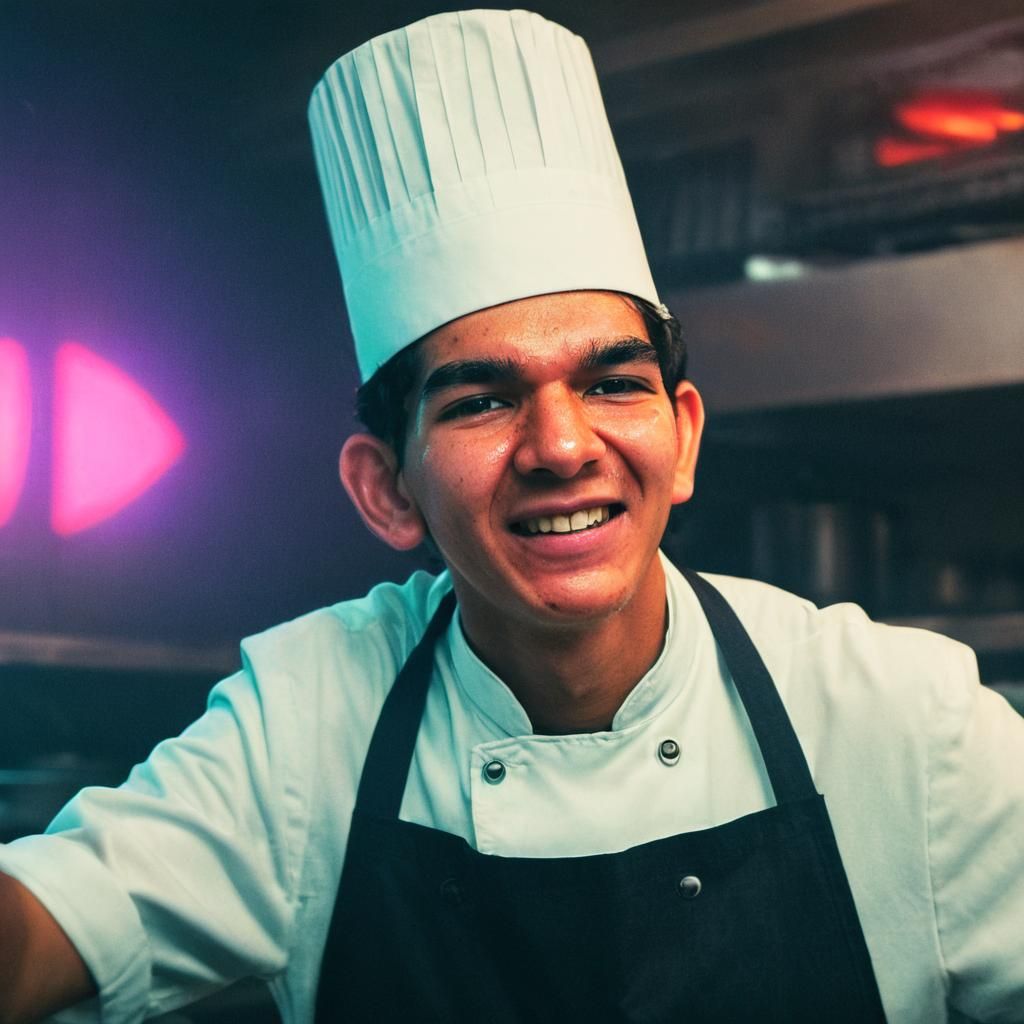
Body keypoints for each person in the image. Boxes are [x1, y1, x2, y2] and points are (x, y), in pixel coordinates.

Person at [1, 9, 1023, 1024]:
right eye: (481, 399)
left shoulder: (899, 722)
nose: (562, 446)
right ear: (386, 489)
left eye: (612, 383)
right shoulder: (311, 723)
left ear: (684, 439)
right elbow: (45, 925)